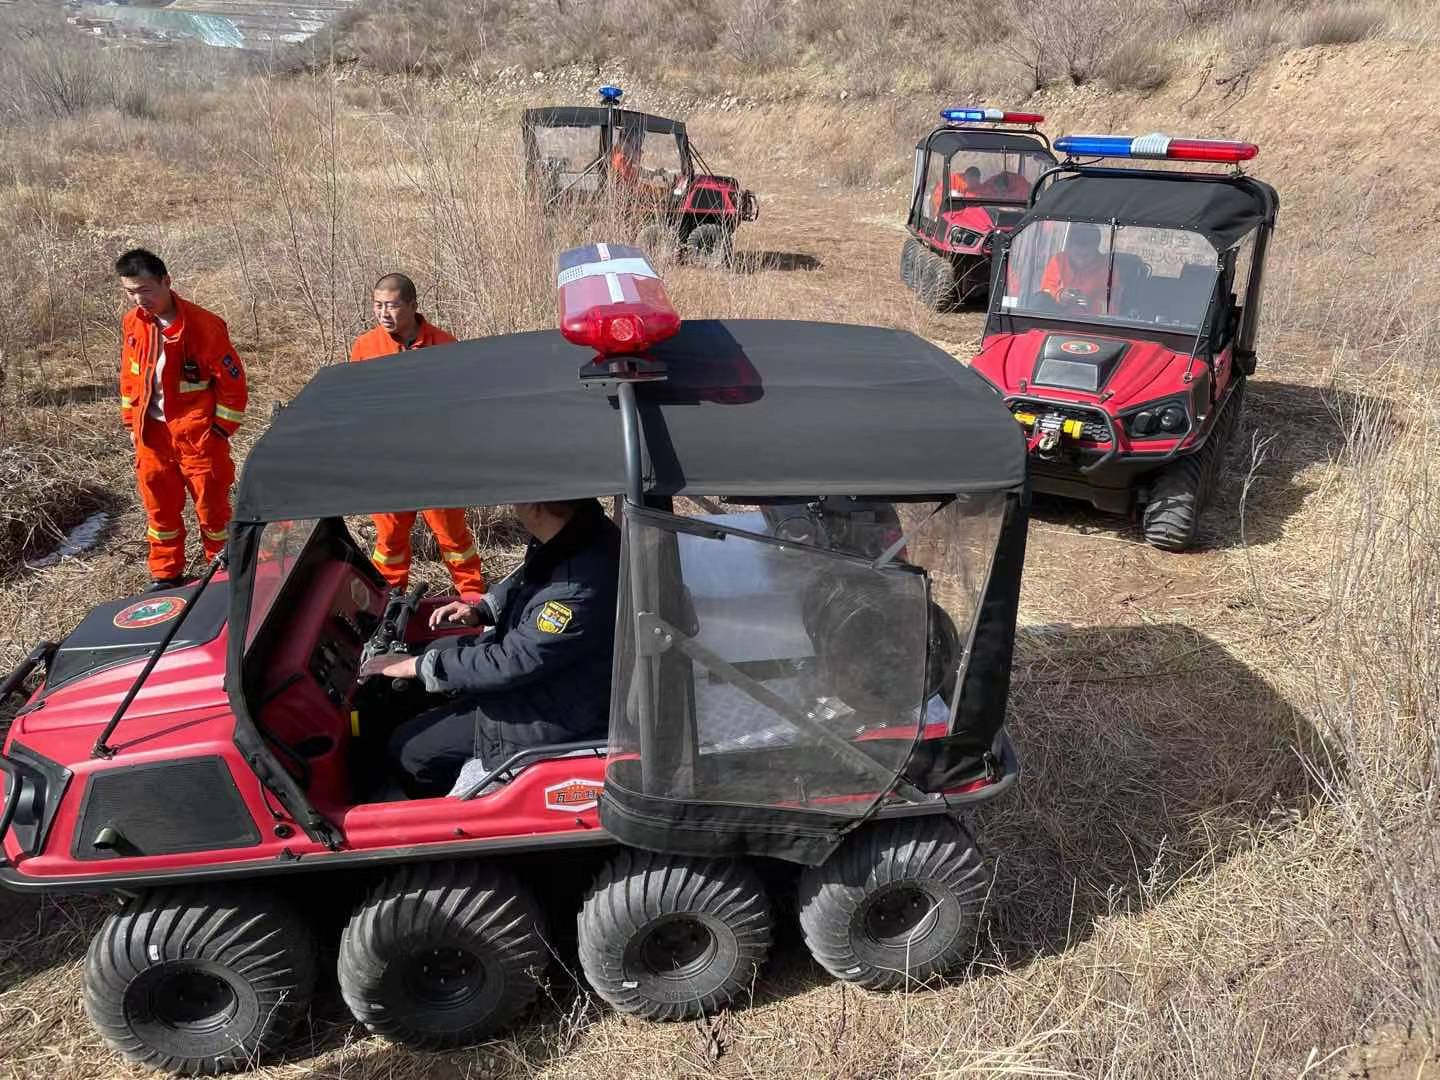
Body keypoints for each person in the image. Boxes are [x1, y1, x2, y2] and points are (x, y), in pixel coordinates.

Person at [358, 499, 621, 797]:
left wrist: (418, 666)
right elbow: (529, 578)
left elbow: (511, 662)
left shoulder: (576, 590)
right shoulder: (578, 532)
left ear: (536, 508)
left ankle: (441, 813)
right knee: (431, 654)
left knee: (410, 751)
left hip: (555, 707)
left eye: (518, 501)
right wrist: (484, 608)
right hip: (553, 669)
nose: (512, 506)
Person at [116, 248, 247, 590]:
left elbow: (233, 386)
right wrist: (133, 424)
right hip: (153, 437)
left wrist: (219, 430)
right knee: (160, 512)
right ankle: (166, 575)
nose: (139, 299)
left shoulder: (204, 326)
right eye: (131, 292)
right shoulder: (134, 324)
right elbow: (130, 378)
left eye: (145, 289)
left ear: (166, 282)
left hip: (198, 437)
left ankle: (223, 576)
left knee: (213, 512)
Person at [350, 273, 485, 599]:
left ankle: (473, 600)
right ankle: (387, 606)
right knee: (390, 541)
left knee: (453, 538)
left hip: (435, 464)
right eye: (378, 305)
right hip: (388, 465)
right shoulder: (365, 347)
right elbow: (354, 406)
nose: (384, 313)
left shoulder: (445, 346)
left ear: (412, 305)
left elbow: (463, 409)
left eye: (393, 306)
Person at [1039, 224, 1118, 312]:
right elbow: (1044, 293)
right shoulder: (1058, 261)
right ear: (1069, 248)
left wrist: (1090, 304)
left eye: (1086, 256)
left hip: (1089, 322)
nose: (1081, 260)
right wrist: (1060, 295)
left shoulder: (1108, 272)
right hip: (1055, 318)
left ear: (1096, 248)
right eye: (1077, 254)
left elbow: (1113, 309)